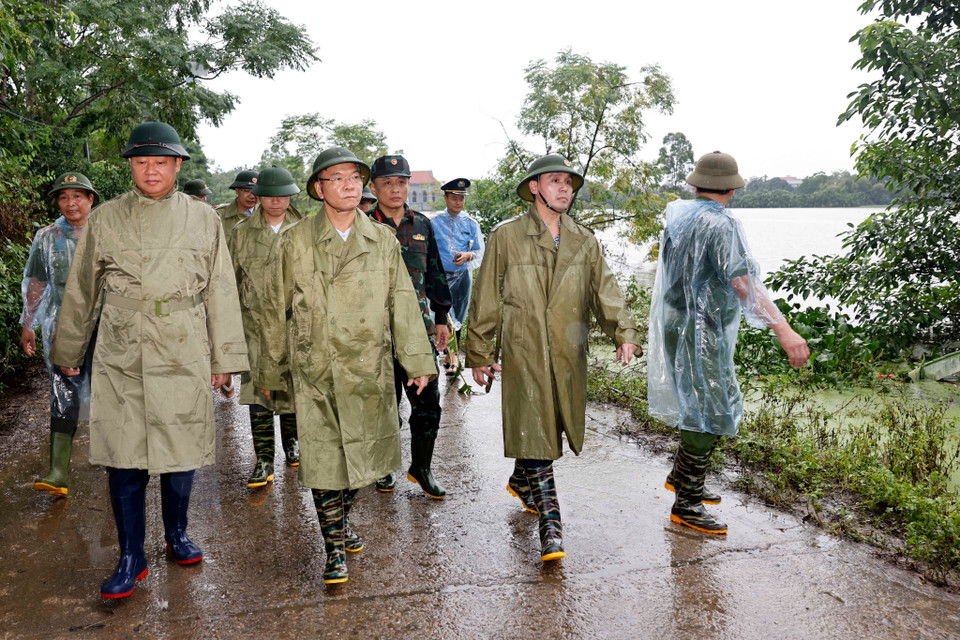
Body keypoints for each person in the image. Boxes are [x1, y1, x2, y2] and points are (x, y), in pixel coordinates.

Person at [49, 120, 249, 599]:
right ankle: (130, 554)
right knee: (124, 451)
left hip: (182, 341)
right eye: (142, 162)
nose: (151, 171)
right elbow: (82, 289)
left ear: (178, 165)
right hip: (122, 345)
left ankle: (177, 534)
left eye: (161, 162)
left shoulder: (204, 219)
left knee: (181, 446)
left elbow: (220, 289)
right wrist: (69, 350)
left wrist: (224, 356)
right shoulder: (107, 217)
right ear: (131, 167)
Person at [257, 146, 435, 584]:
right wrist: (268, 371)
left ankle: (341, 519)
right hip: (316, 367)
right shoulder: (295, 242)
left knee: (365, 456)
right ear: (319, 189)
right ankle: (333, 545)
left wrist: (416, 360)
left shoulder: (382, 240)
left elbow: (402, 302)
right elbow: (273, 308)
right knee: (324, 458)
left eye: (355, 177)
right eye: (336, 178)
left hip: (369, 368)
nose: (349, 185)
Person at [466, 154, 640, 562]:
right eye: (555, 181)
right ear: (534, 187)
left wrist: (625, 333)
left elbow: (606, 292)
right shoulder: (506, 236)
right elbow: (486, 297)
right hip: (523, 351)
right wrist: (478, 351)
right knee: (536, 428)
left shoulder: (584, 240)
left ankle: (522, 479)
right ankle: (551, 525)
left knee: (548, 425)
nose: (565, 188)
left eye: (570, 183)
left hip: (567, 351)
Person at [647, 151, 810, 535]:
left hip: (678, 323)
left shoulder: (680, 217)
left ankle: (684, 478)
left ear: (696, 183)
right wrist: (784, 330)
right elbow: (743, 284)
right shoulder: (722, 225)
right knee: (709, 410)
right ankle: (686, 503)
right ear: (733, 189)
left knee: (705, 401)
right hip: (700, 329)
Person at [368, 155, 452, 498]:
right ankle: (384, 467)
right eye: (387, 183)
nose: (395, 189)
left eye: (401, 182)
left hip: (418, 329)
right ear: (373, 188)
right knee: (382, 403)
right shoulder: (363, 225)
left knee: (427, 400)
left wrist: (442, 318)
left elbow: (435, 273)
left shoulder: (422, 225)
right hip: (376, 331)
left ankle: (422, 467)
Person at [21, 172, 99, 497]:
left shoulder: (107, 233)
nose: (71, 203)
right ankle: (57, 471)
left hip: (107, 326)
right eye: (64, 198)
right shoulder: (46, 237)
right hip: (63, 327)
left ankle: (121, 463)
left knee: (114, 393)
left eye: (78, 196)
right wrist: (28, 324)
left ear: (91, 199)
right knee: (62, 390)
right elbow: (37, 282)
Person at [227, 166, 302, 488]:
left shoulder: (305, 230)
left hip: (295, 327)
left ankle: (293, 444)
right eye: (269, 196)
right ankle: (264, 460)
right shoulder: (242, 233)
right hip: (255, 327)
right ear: (257, 197)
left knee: (292, 389)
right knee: (258, 392)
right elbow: (229, 283)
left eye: (283, 195)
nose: (276, 201)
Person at [431, 178, 485, 375]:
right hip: (440, 278)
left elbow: (480, 251)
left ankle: (453, 357)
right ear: (445, 198)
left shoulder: (471, 224)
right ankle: (449, 354)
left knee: (458, 317)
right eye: (454, 198)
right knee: (442, 315)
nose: (458, 203)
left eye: (461, 199)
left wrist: (469, 255)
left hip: (462, 277)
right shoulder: (434, 222)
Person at [214, 169, 259, 400]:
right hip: (224, 287)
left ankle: (253, 385)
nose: (251, 195)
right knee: (223, 333)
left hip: (254, 288)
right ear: (236, 191)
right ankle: (226, 370)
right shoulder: (218, 217)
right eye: (245, 190)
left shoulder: (264, 215)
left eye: (254, 190)